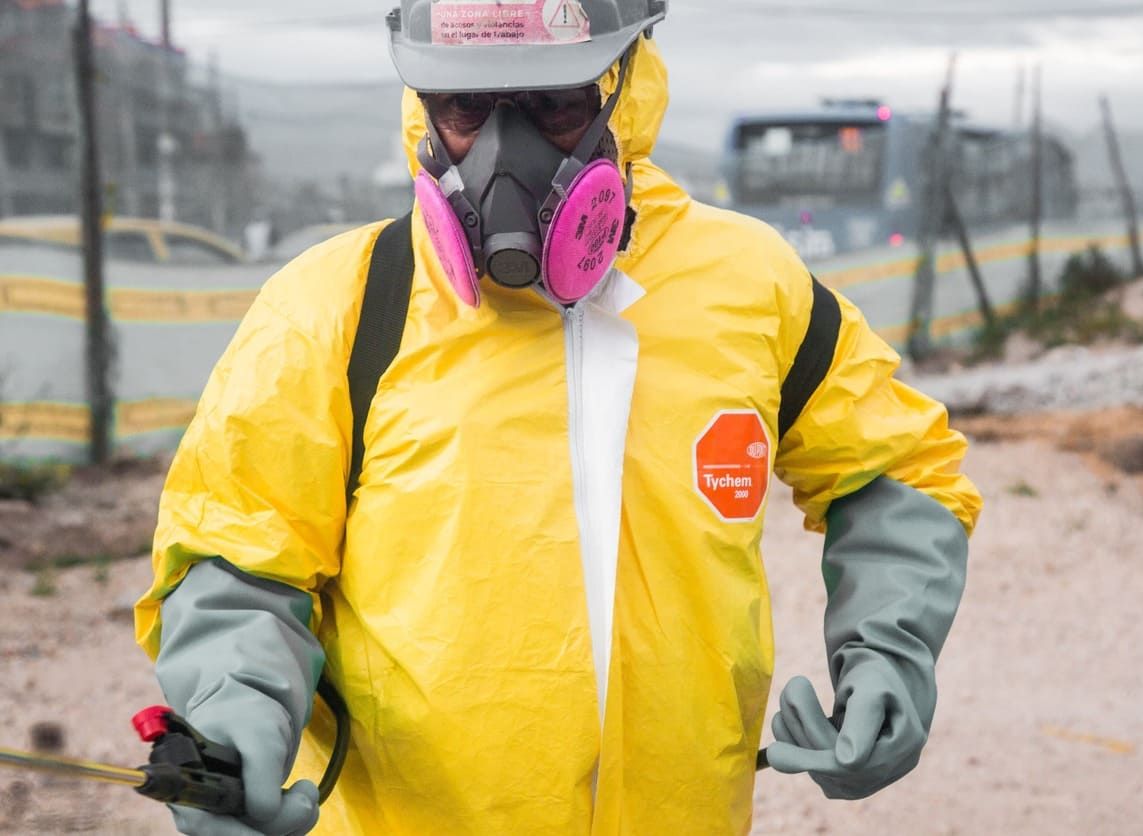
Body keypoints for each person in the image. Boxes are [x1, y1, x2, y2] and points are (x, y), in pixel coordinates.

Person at [134, 1, 982, 833]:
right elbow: (238, 553)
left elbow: (891, 469)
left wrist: (888, 655)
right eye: (466, 108)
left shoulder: (752, 286)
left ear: (626, 87)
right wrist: (234, 709)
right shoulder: (338, 308)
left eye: (557, 106)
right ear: (425, 107)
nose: (509, 155)